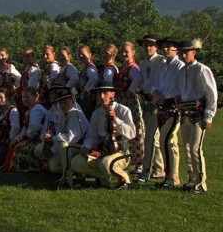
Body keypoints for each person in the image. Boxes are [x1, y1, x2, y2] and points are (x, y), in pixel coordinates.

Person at [70, 80, 136, 190]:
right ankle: (103, 177)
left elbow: (131, 133)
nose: (101, 96)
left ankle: (125, 179)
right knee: (76, 162)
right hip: (102, 151)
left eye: (105, 93)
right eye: (99, 93)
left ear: (112, 94)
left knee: (105, 163)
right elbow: (91, 136)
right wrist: (86, 147)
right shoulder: (96, 113)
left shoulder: (123, 110)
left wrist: (116, 119)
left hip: (120, 151)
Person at [177, 38, 217, 194]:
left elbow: (211, 93)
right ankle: (192, 179)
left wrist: (209, 115)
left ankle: (201, 182)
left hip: (198, 114)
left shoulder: (202, 69)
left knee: (195, 148)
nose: (183, 55)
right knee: (187, 148)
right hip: (185, 113)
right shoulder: (182, 71)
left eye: (186, 52)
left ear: (193, 52)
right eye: (181, 53)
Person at [34, 87, 89, 186]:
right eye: (60, 103)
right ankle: (77, 171)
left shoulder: (77, 114)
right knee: (52, 165)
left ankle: (67, 178)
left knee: (64, 146)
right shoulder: (62, 115)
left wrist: (53, 138)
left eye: (65, 103)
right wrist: (52, 148)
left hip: (82, 148)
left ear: (72, 101)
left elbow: (71, 138)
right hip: (70, 148)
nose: (62, 106)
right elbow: (58, 134)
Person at [151, 38, 185, 189]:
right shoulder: (162, 67)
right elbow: (155, 85)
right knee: (164, 141)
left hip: (173, 107)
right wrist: (156, 93)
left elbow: (178, 88)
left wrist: (163, 95)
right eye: (164, 47)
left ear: (176, 49)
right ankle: (168, 176)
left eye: (169, 47)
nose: (165, 50)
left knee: (168, 141)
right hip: (161, 107)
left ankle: (173, 177)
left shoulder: (179, 66)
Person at [137, 34, 166, 183]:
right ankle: (159, 169)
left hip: (157, 102)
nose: (148, 48)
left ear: (156, 47)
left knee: (150, 137)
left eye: (151, 45)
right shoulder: (142, 63)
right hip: (145, 101)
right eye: (145, 45)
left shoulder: (161, 61)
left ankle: (146, 171)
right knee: (153, 137)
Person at [113, 41, 145, 172]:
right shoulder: (125, 68)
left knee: (135, 131)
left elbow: (138, 79)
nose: (124, 54)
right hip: (123, 103)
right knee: (124, 133)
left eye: (126, 51)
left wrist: (131, 90)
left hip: (131, 104)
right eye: (122, 52)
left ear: (133, 52)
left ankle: (140, 162)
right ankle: (128, 160)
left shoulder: (133, 68)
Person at [3, 87, 47, 172]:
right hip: (35, 138)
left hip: (41, 140)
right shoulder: (29, 111)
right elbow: (25, 129)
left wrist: (27, 137)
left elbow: (34, 127)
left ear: (34, 97)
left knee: (19, 146)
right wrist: (16, 138)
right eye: (23, 97)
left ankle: (29, 168)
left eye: (27, 96)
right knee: (14, 144)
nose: (24, 99)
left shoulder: (37, 109)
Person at [16, 48, 40, 122]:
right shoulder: (27, 68)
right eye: (24, 56)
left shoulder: (34, 69)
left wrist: (26, 96)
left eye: (28, 56)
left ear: (33, 57)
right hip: (25, 98)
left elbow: (32, 86)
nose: (26, 58)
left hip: (30, 99)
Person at [76, 46, 98, 120]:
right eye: (79, 54)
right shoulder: (86, 67)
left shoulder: (90, 68)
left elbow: (94, 78)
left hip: (88, 99)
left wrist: (85, 90)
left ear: (89, 55)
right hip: (84, 98)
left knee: (86, 118)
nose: (80, 56)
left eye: (83, 54)